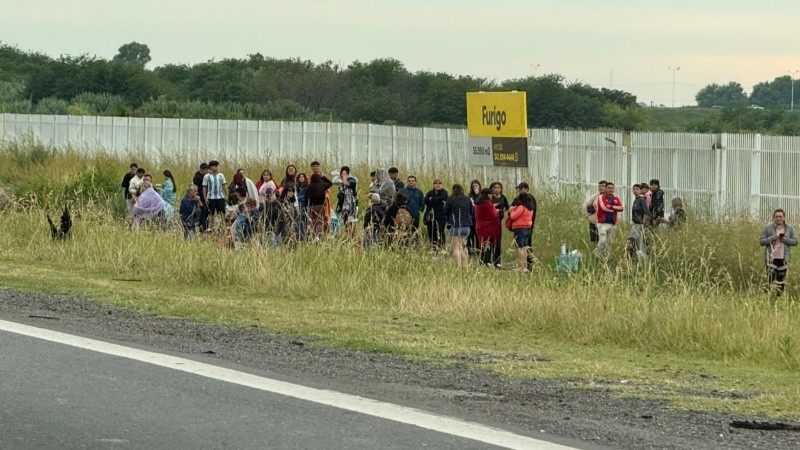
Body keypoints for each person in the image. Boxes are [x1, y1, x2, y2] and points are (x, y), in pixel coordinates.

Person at [759, 209, 798, 296]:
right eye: (776, 217)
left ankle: (778, 299)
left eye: (780, 217)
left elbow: (795, 242)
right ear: (774, 217)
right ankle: (766, 298)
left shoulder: (789, 228)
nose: (778, 218)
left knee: (781, 282)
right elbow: (761, 241)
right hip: (771, 258)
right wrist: (772, 238)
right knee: (769, 280)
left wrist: (786, 240)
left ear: (784, 217)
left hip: (784, 258)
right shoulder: (768, 228)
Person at [443, 184, 474, 268]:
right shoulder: (468, 199)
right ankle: (466, 266)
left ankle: (459, 267)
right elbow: (472, 212)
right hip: (467, 226)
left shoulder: (450, 199)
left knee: (456, 249)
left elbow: (445, 211)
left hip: (456, 226)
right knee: (463, 247)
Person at [595, 181, 624, 259]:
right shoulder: (601, 197)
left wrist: (611, 207)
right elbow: (603, 207)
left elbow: (621, 208)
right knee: (602, 241)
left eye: (612, 188)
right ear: (605, 189)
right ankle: (596, 255)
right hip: (602, 223)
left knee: (610, 243)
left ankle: (607, 258)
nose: (610, 190)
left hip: (612, 223)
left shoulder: (616, 198)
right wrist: (614, 208)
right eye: (608, 188)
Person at [508, 188, 535, 272]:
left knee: (519, 247)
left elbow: (513, 216)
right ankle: (525, 266)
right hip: (527, 228)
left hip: (520, 228)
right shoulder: (530, 208)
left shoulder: (521, 207)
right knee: (524, 247)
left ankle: (521, 266)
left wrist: (511, 210)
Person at [474, 188, 500, 267]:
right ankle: (486, 261)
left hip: (480, 226)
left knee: (482, 243)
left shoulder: (478, 203)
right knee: (487, 243)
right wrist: (497, 210)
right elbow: (493, 215)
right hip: (487, 227)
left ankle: (483, 261)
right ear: (488, 194)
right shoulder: (487, 203)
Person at [626, 184, 653, 259]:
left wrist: (651, 219)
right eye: (634, 189)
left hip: (639, 224)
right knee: (638, 243)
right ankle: (637, 258)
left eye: (637, 189)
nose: (635, 190)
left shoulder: (641, 200)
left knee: (631, 240)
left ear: (640, 190)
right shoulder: (635, 200)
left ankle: (639, 258)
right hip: (635, 224)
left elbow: (646, 211)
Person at [305, 172, 332, 241]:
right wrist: (324, 178)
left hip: (311, 206)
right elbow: (330, 183)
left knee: (313, 221)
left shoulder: (309, 186)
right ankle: (318, 236)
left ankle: (313, 236)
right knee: (320, 221)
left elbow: (306, 196)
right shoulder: (322, 185)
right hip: (320, 206)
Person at [423, 179, 448, 251]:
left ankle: (442, 247)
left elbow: (444, 198)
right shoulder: (430, 192)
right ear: (433, 185)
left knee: (441, 231)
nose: (438, 185)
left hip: (441, 215)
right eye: (436, 183)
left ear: (442, 185)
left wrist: (433, 199)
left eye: (439, 183)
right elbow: (426, 201)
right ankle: (434, 247)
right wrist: (436, 200)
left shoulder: (444, 192)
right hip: (431, 215)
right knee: (431, 231)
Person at [333, 166, 359, 236]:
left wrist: (344, 176)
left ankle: (353, 237)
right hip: (344, 207)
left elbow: (346, 184)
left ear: (348, 174)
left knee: (352, 222)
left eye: (344, 174)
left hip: (352, 207)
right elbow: (334, 181)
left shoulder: (352, 180)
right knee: (346, 223)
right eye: (341, 174)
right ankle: (348, 236)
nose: (342, 176)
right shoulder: (342, 183)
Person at [203, 160, 227, 231]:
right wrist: (205, 197)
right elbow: (204, 187)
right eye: (215, 166)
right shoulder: (207, 176)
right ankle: (212, 227)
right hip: (211, 197)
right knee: (212, 213)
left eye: (217, 166)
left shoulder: (221, 175)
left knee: (222, 212)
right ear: (211, 167)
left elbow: (224, 185)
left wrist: (227, 195)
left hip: (220, 196)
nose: (216, 168)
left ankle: (223, 226)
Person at [489, 182, 510, 267]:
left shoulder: (503, 198)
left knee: (497, 241)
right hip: (490, 222)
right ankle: (488, 260)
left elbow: (507, 207)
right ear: (492, 189)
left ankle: (497, 261)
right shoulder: (490, 197)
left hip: (498, 221)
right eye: (495, 187)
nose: (497, 189)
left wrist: (501, 212)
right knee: (490, 241)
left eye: (498, 187)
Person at [582, 180, 606, 246]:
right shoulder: (594, 196)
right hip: (593, 222)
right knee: (594, 240)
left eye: (603, 186)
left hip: (604, 223)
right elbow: (585, 205)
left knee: (603, 240)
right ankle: (594, 254)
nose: (601, 188)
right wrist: (587, 215)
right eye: (599, 186)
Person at [192, 162, 210, 231]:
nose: (207, 171)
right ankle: (202, 227)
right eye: (206, 170)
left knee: (206, 212)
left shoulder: (205, 176)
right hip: (200, 198)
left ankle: (205, 226)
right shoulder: (197, 177)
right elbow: (199, 189)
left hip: (205, 197)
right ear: (201, 169)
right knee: (202, 211)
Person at [466, 179, 482, 254]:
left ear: (479, 185)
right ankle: (470, 250)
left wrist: (478, 194)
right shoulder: (470, 195)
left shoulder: (482, 194)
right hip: (472, 217)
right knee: (470, 234)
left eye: (476, 185)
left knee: (478, 234)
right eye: (473, 186)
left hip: (480, 218)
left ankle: (479, 250)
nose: (475, 187)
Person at [295, 172, 309, 241]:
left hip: (305, 207)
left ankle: (306, 237)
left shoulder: (307, 187)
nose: (301, 178)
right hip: (298, 207)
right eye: (300, 177)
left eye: (303, 177)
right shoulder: (296, 187)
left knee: (306, 223)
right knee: (299, 222)